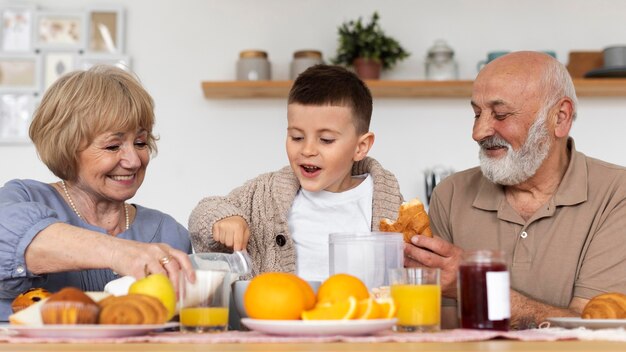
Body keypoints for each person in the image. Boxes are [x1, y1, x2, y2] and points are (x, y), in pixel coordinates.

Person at [405, 51, 626, 329]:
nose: (479, 131)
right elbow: (440, 330)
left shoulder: (617, 194)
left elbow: (595, 330)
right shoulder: (450, 194)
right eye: (476, 113)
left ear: (560, 117)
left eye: (500, 114)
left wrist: (473, 285)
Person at [0, 66, 194, 321]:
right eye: (113, 146)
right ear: (66, 148)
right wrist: (118, 252)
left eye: (140, 142)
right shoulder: (23, 198)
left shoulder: (168, 232)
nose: (134, 161)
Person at [189, 64, 403, 281]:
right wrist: (226, 218)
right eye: (297, 137)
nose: (307, 150)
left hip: (359, 313)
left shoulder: (387, 203)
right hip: (280, 313)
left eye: (326, 140)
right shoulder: (264, 194)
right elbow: (202, 213)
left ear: (361, 147)